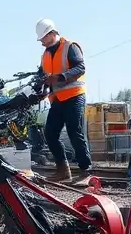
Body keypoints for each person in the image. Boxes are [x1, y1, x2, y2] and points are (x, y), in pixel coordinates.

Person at [35, 18, 92, 186]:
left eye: (43, 38)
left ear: (52, 33)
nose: (42, 43)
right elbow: (41, 73)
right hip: (57, 99)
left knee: (75, 131)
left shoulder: (70, 46)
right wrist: (39, 83)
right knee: (50, 133)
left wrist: (60, 77)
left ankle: (85, 171)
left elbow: (80, 68)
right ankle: (62, 170)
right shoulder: (45, 54)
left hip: (74, 96)